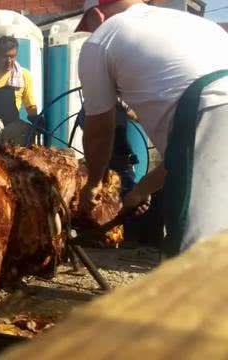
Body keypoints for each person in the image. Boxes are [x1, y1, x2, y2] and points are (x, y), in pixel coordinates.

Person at [75, 0, 228, 256]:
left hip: (212, 112)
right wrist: (140, 191)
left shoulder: (102, 39)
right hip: (212, 118)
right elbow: (189, 155)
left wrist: (92, 184)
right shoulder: (195, 24)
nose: (91, 32)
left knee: (197, 253)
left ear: (96, 15)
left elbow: (101, 129)